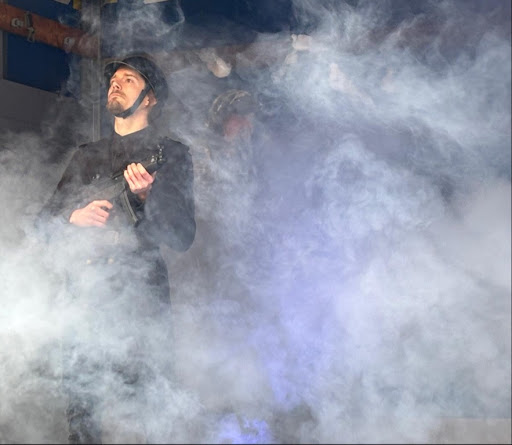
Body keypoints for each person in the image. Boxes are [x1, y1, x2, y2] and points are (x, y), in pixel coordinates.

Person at [38, 53, 195, 443]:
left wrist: (146, 199)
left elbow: (182, 237)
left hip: (140, 297)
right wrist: (73, 218)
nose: (116, 83)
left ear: (150, 97)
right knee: (81, 409)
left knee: (149, 406)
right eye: (114, 79)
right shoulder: (86, 155)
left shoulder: (171, 154)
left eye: (129, 79)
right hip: (86, 292)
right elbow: (43, 224)